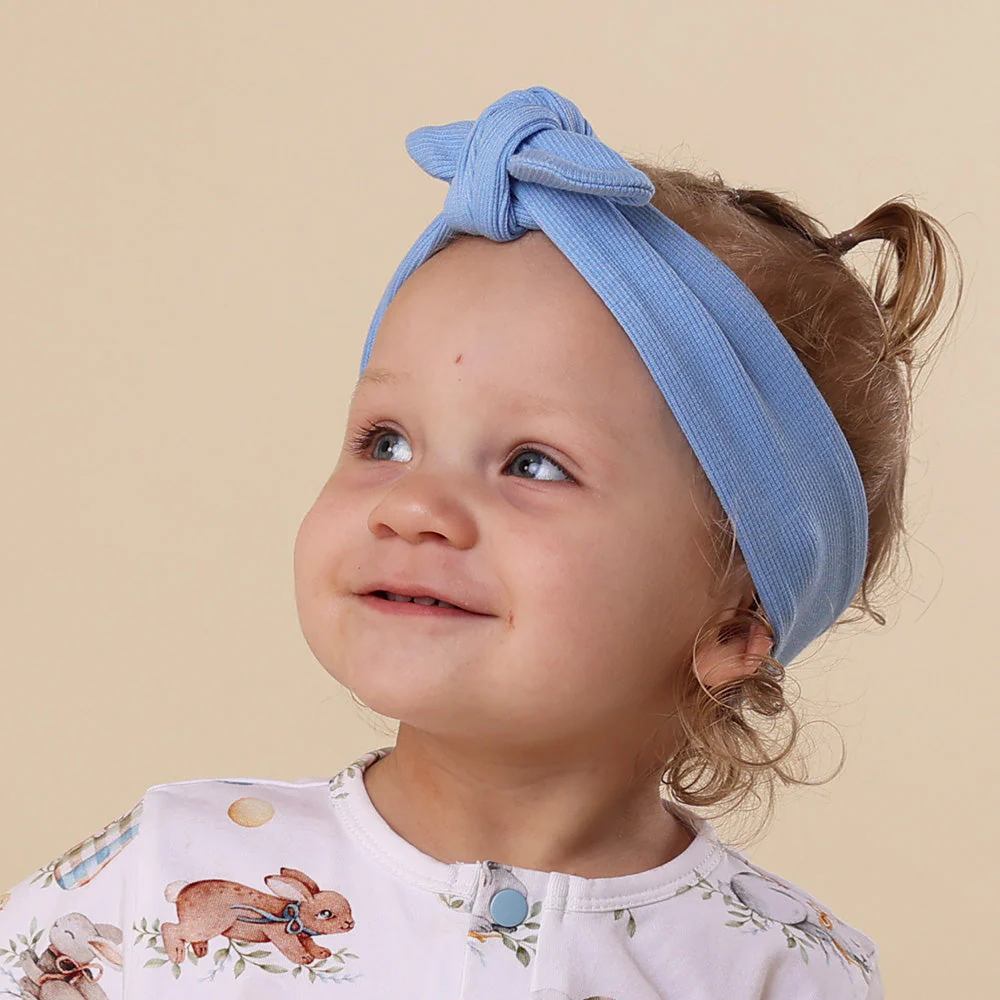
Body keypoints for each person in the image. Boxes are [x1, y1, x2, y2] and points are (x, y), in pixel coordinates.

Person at [0, 86, 961, 999]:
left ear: (735, 625)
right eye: (386, 442)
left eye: (533, 464)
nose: (413, 503)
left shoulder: (784, 971)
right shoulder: (159, 875)